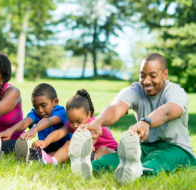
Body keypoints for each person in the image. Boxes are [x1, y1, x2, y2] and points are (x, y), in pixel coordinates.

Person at [77, 53, 196, 183]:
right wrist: (98, 121)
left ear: (165, 74)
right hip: (145, 147)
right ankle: (89, 167)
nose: (146, 81)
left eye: (153, 76)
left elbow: (167, 112)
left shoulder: (176, 92)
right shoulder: (135, 90)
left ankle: (138, 172)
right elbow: (116, 109)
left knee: (158, 160)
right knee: (116, 158)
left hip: (176, 148)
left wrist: (147, 122)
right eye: (142, 76)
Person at [30, 89, 118, 178]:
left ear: (88, 115)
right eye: (71, 121)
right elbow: (59, 132)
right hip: (85, 153)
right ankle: (49, 160)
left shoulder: (93, 122)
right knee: (69, 143)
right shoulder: (72, 124)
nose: (75, 125)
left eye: (79, 121)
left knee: (101, 150)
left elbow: (92, 135)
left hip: (111, 151)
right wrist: (45, 142)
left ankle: (88, 165)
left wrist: (90, 144)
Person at [0, 83, 72, 162]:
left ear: (55, 102)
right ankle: (17, 159)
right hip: (45, 145)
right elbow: (25, 122)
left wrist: (35, 128)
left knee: (53, 153)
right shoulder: (35, 112)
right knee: (34, 151)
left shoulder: (60, 111)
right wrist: (11, 130)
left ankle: (42, 159)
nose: (40, 110)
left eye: (43, 105)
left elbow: (49, 121)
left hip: (63, 146)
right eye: (36, 107)